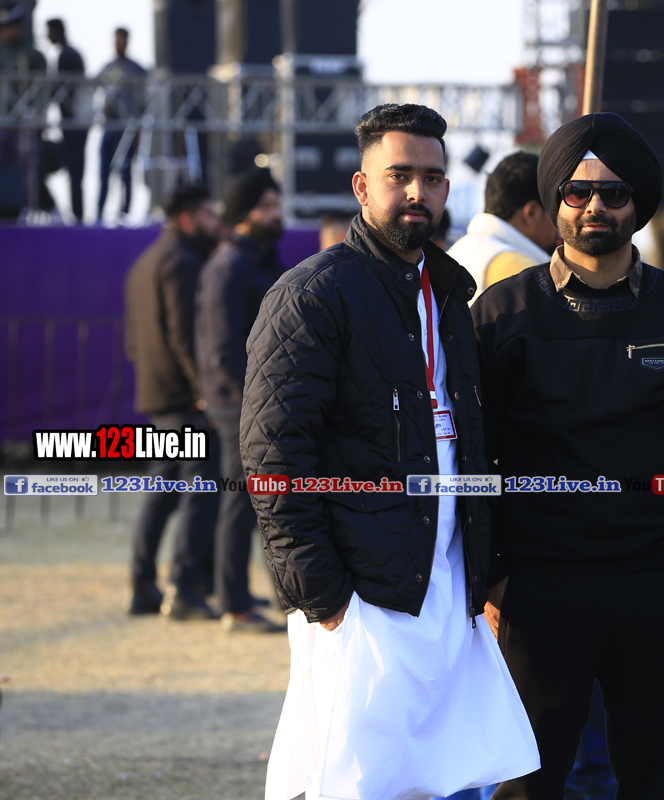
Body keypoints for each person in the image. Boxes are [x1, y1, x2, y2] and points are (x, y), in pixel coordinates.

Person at [242, 103, 538, 800]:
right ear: (362, 186)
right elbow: (273, 455)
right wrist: (323, 596)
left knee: (451, 777)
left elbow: (472, 443)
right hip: (361, 594)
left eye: (431, 178)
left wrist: (486, 570)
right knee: (360, 783)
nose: (417, 192)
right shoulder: (314, 294)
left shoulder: (450, 294)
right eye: (399, 175)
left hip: (448, 585)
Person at [472, 112, 664, 800]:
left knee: (657, 785)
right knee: (524, 789)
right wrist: (491, 577)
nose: (595, 205)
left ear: (638, 204)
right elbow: (474, 457)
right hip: (540, 591)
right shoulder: (502, 313)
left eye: (614, 192)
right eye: (577, 191)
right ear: (554, 200)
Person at [123, 183, 223, 618]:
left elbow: (133, 341)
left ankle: (142, 584)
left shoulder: (144, 262)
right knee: (201, 488)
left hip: (159, 395)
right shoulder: (183, 262)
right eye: (208, 215)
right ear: (188, 217)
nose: (214, 223)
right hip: (185, 400)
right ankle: (183, 587)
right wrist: (203, 391)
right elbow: (186, 337)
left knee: (162, 490)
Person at [195, 168, 286, 634]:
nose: (276, 214)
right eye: (265, 206)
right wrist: (252, 403)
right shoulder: (227, 266)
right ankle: (234, 605)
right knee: (240, 504)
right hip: (240, 407)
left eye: (276, 204)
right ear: (242, 214)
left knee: (268, 503)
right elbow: (223, 350)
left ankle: (275, 598)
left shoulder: (260, 260)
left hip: (262, 405)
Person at [447, 151, 559, 302]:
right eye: (555, 212)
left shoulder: (457, 252)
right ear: (531, 213)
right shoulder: (520, 269)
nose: (560, 224)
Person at [0, 3, 47, 218]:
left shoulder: (33, 55)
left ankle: (29, 208)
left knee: (27, 164)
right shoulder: (2, 52)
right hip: (3, 121)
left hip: (24, 122)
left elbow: (43, 90)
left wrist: (38, 115)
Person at [96, 27, 146, 221]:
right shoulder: (107, 67)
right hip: (108, 127)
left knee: (125, 173)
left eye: (122, 40)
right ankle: (99, 214)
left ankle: (124, 214)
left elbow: (145, 102)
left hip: (127, 130)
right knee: (103, 173)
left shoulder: (137, 70)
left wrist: (139, 131)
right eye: (116, 39)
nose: (119, 43)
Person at [46, 18, 85, 223]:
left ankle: (77, 217)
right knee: (75, 172)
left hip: (74, 124)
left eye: (49, 31)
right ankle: (77, 215)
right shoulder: (70, 53)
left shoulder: (67, 55)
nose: (47, 36)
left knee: (75, 171)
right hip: (74, 123)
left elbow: (61, 91)